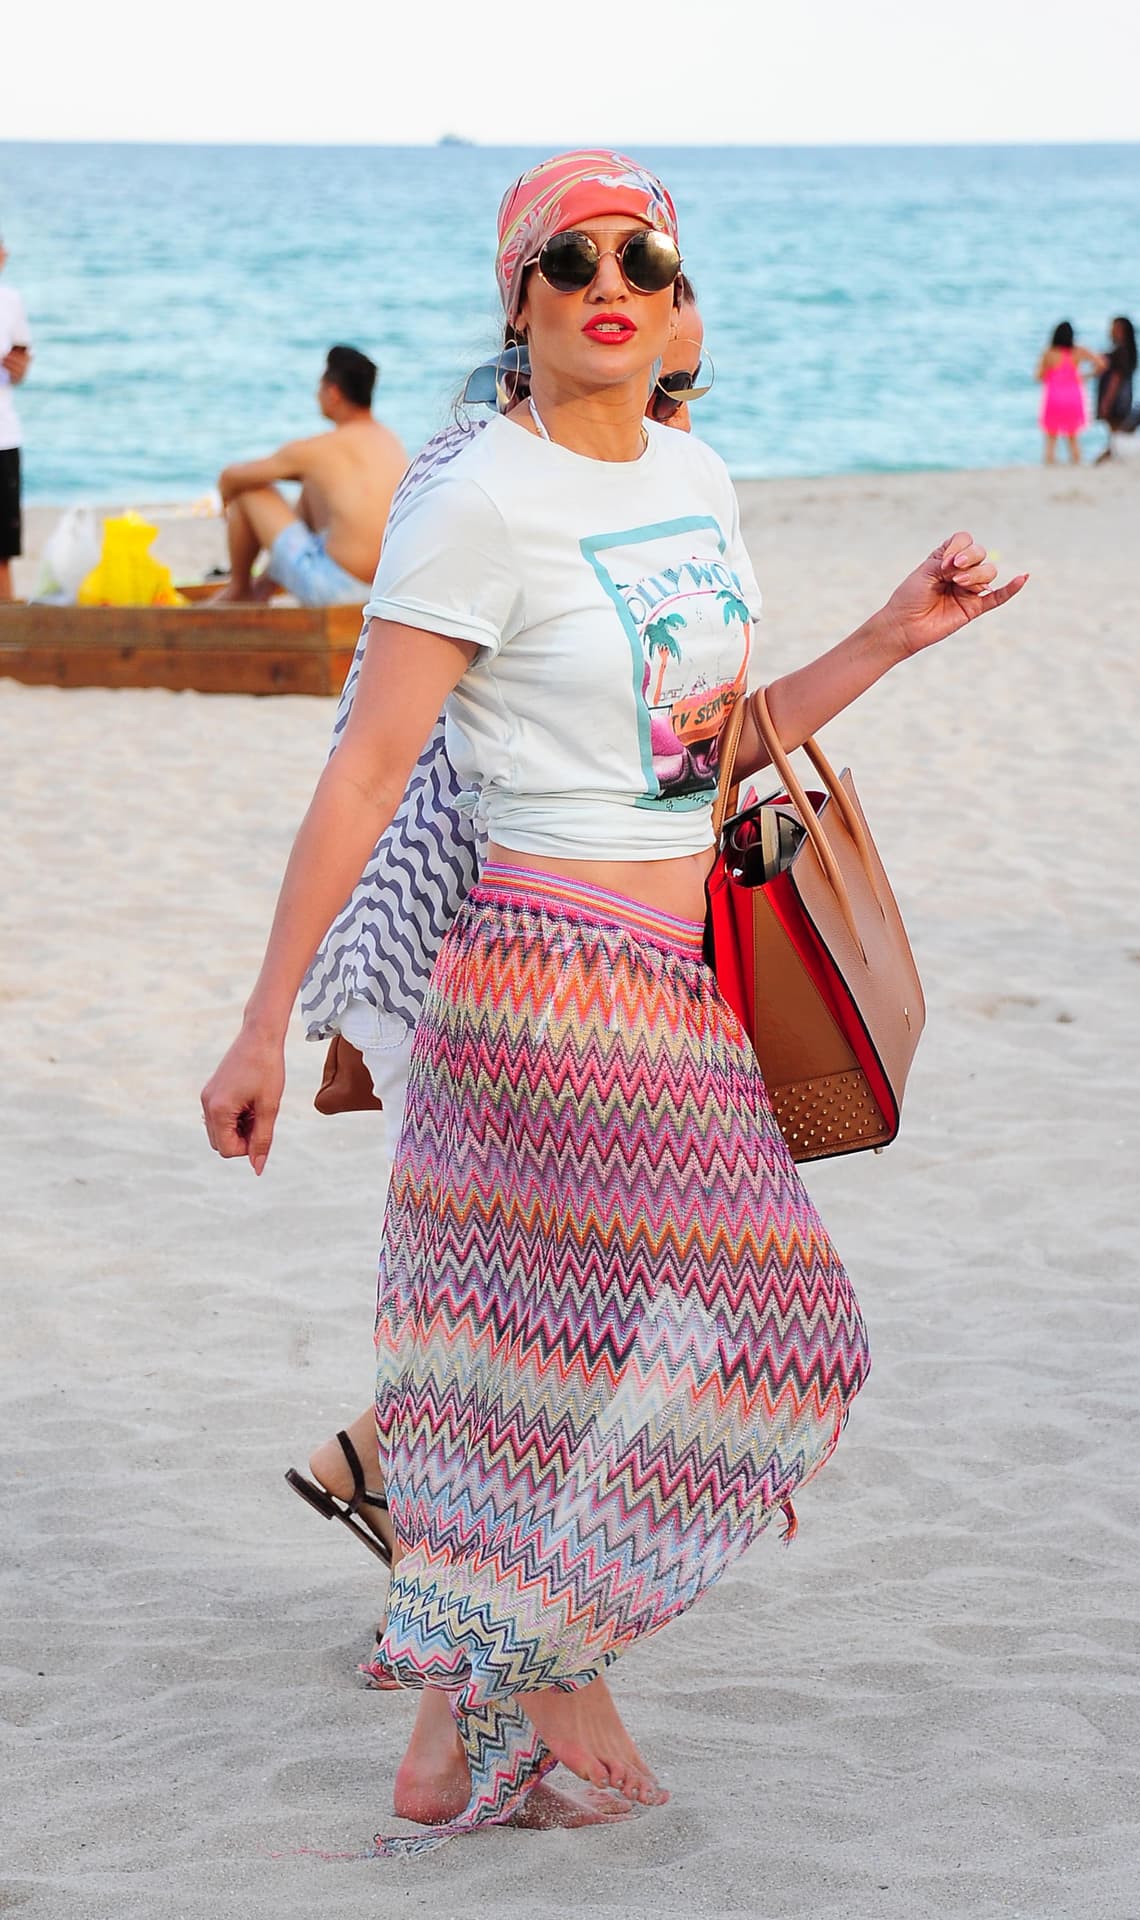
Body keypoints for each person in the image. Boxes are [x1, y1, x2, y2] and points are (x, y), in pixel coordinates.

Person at [202, 148, 1027, 1848]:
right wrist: (263, 1014)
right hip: (549, 975)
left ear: (676, 300)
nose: (610, 278)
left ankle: (451, 1742)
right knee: (797, 1345)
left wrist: (890, 637)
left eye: (641, 254)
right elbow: (367, 771)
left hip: (674, 964)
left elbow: (702, 749)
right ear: (517, 301)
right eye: (567, 255)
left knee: (551, 1363)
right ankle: (554, 1647)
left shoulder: (696, 478)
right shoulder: (477, 499)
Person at [289, 289, 711, 1603]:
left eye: (688, 390)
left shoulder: (657, 480)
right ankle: (441, 1561)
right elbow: (383, 753)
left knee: (542, 1268)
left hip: (588, 944)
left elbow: (670, 731)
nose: (669, 411)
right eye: (670, 387)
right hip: (482, 933)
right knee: (555, 1273)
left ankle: (391, 1488)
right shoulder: (483, 486)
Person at [214, 344, 407, 606]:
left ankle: (240, 590)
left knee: (250, 491)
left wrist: (228, 507)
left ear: (333, 393)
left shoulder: (320, 449)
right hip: (387, 586)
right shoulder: (389, 441)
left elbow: (230, 478)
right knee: (312, 486)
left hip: (338, 590)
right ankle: (264, 588)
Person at [0, 233, 33, 604]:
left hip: (3, 435)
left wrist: (18, 367)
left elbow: (21, 362)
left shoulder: (10, 302)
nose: (6, 252)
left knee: (2, 554)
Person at [1036, 321, 1105, 465]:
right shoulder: (1078, 351)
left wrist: (1051, 374)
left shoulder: (1049, 353)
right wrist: (1086, 375)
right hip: (1073, 397)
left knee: (1051, 438)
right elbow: (1101, 363)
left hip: (1054, 397)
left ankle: (1050, 466)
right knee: (1073, 437)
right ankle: (1076, 466)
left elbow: (1038, 376)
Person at [1093, 316, 1139, 463]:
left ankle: (1108, 459)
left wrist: (1106, 402)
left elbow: (1116, 379)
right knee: (1118, 433)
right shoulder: (1128, 351)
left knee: (1116, 433)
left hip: (1117, 399)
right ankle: (1112, 458)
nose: (1111, 331)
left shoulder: (1121, 352)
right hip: (1124, 396)